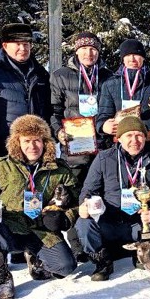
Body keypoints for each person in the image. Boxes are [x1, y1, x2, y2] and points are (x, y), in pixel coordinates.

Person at [0, 115, 78, 299]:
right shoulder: (1, 167)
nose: (32, 146)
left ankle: (35, 258)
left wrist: (64, 217)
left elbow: (76, 202)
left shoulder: (59, 169)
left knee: (65, 266)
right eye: (27, 141)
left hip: (40, 230)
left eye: (37, 140)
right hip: (9, 228)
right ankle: (0, 274)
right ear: (17, 142)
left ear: (45, 142)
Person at [76, 116, 150, 281]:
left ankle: (141, 252)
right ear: (118, 138)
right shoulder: (103, 159)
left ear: (145, 137)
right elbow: (88, 190)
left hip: (139, 225)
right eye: (129, 135)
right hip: (111, 222)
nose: (134, 140)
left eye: (139, 135)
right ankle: (103, 261)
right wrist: (85, 204)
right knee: (83, 224)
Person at [50, 31, 112, 261]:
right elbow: (54, 110)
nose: (89, 53)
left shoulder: (107, 76)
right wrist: (59, 131)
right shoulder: (61, 76)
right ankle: (77, 246)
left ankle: (103, 241)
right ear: (76, 51)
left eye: (93, 49)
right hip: (75, 147)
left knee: (102, 194)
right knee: (75, 195)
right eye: (84, 48)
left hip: (103, 146)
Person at [0, 22, 51, 158]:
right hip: (2, 148)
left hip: (34, 149)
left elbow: (47, 108)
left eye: (26, 44)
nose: (22, 48)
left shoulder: (39, 73)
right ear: (5, 45)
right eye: (17, 44)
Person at [96, 38, 150, 162]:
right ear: (122, 58)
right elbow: (103, 116)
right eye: (128, 55)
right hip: (121, 148)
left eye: (136, 55)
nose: (132, 59)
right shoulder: (110, 84)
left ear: (143, 58)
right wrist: (103, 126)